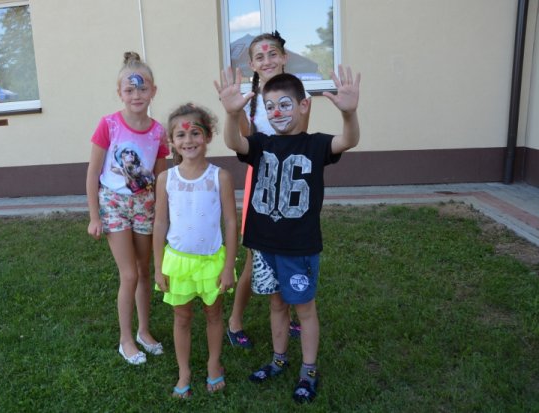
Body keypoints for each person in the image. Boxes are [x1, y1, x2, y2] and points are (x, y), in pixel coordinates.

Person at [215, 65, 360, 403]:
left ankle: (308, 370)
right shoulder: (261, 144)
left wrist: (349, 114)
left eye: (284, 104)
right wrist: (232, 114)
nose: (276, 112)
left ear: (303, 105)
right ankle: (278, 360)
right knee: (277, 304)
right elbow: (234, 141)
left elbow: (348, 140)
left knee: (304, 309)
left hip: (299, 247)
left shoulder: (315, 144)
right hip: (264, 246)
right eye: (270, 107)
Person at [227, 31, 310, 349]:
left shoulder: (299, 94)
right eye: (260, 57)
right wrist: (235, 113)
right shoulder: (249, 100)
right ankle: (235, 320)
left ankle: (284, 315)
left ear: (284, 57)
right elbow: (246, 143)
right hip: (260, 182)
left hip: (288, 180)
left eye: (272, 54)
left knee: (288, 250)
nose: (267, 60)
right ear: (251, 65)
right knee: (255, 256)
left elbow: (299, 140)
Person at [86, 51, 169, 365]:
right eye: (130, 89)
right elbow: (93, 173)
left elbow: (160, 176)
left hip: (145, 205)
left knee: (144, 272)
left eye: (142, 88)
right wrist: (94, 216)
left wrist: (163, 212)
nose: (136, 95)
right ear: (120, 92)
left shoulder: (158, 132)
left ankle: (144, 331)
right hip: (114, 204)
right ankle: (125, 339)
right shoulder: (108, 125)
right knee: (130, 274)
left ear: (153, 91)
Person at [153, 103, 237, 398]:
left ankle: (214, 363)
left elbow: (230, 222)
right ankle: (184, 371)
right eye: (181, 135)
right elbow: (160, 223)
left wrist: (229, 266)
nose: (188, 140)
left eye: (195, 133)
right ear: (171, 141)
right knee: (182, 317)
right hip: (178, 263)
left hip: (212, 262)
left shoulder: (220, 177)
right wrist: (158, 266)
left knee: (214, 314)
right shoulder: (166, 179)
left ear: (208, 135)